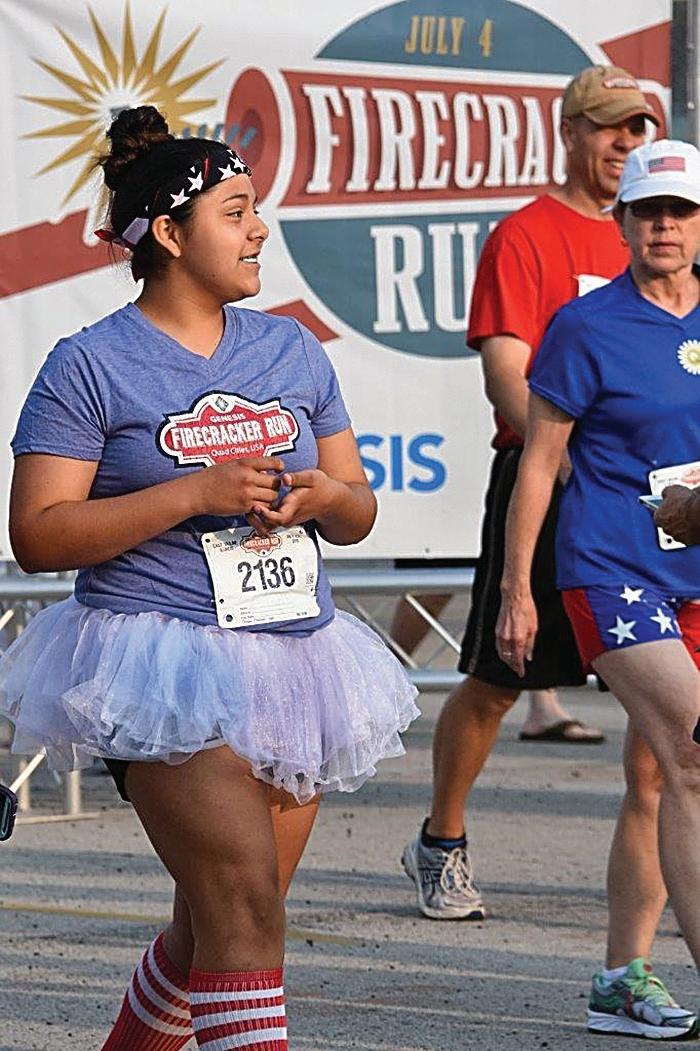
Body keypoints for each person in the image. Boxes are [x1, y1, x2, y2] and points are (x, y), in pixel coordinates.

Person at [0, 106, 419, 1050]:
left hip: (299, 656)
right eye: (236, 212)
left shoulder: (291, 348)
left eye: (256, 209)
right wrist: (195, 492)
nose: (260, 229)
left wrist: (322, 498)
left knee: (213, 926)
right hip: (164, 663)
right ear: (169, 233)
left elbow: (357, 507)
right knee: (247, 914)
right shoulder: (89, 364)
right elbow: (39, 534)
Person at [401, 66, 697, 1036]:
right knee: (505, 680)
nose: (625, 145)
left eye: (639, 130)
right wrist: (578, 476)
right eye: (611, 129)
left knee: (661, 767)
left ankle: (623, 971)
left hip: (677, 546)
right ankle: (442, 836)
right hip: (585, 519)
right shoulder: (538, 251)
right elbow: (517, 400)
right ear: (571, 133)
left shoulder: (679, 275)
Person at [496, 137, 700, 1040]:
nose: (665, 226)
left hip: (696, 572)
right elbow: (539, 464)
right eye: (648, 211)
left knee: (655, 773)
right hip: (612, 566)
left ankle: (620, 976)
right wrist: (517, 589)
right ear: (620, 223)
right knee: (692, 751)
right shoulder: (586, 325)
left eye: (680, 211)